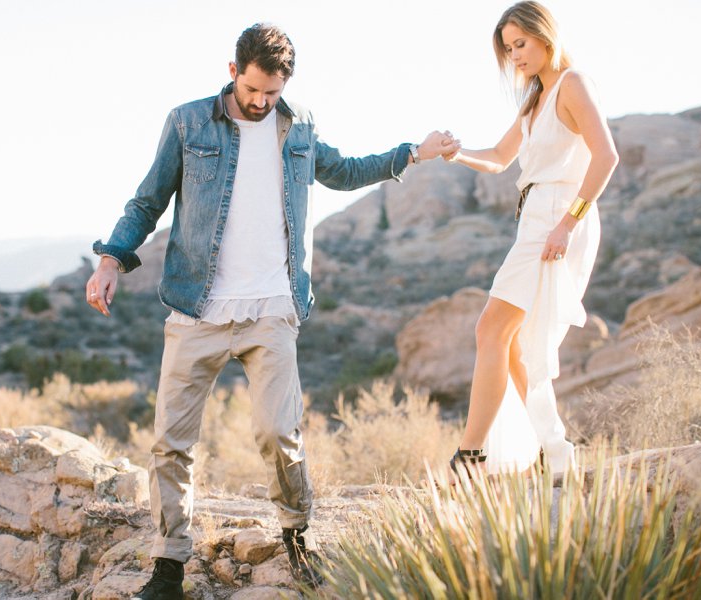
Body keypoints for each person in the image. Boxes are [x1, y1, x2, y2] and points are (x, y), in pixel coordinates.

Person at [85, 23, 457, 598]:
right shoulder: (188, 121)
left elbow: (342, 170)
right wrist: (111, 259)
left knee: (279, 433)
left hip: (273, 307)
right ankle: (168, 565)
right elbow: (148, 199)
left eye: (272, 93)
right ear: (232, 72)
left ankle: (296, 535)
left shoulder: (299, 123)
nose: (260, 103)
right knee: (170, 444)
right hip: (197, 307)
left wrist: (412, 153)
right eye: (253, 90)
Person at [441, 1, 619, 477]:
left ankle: (471, 454)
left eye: (520, 44)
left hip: (558, 219)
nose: (515, 56)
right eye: (508, 49)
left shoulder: (572, 84)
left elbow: (606, 157)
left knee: (491, 330)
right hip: (534, 220)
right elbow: (500, 158)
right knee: (518, 345)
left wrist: (568, 224)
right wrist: (456, 155)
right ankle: (553, 451)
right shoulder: (534, 101)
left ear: (545, 35)